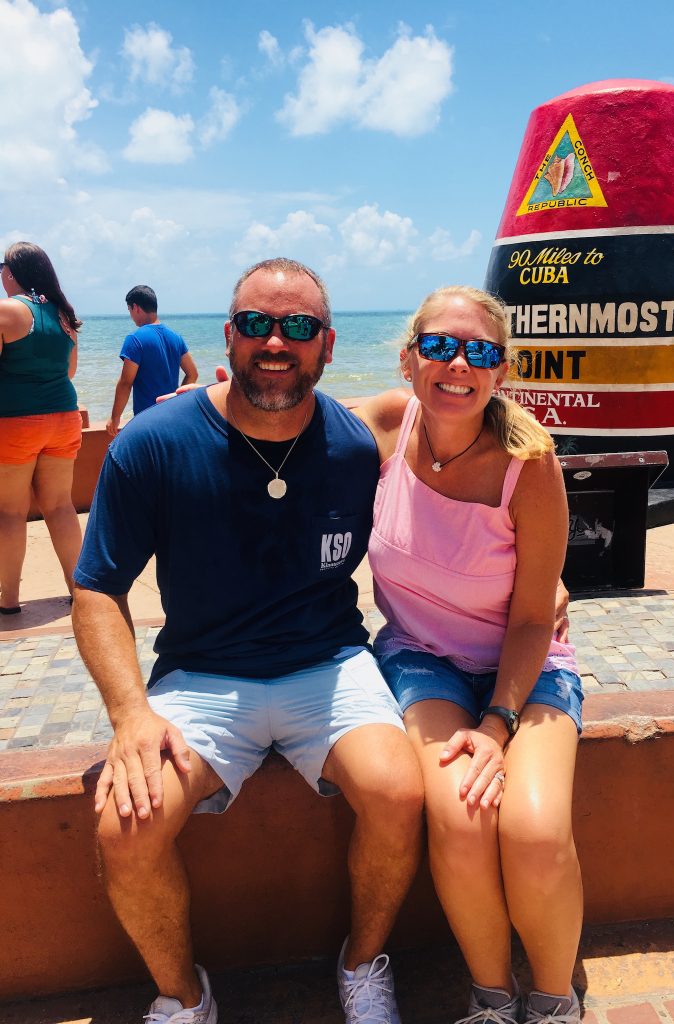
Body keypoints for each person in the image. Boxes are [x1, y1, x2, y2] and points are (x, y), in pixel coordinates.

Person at [72, 258, 424, 1024]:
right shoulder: (155, 443)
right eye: (258, 324)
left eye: (297, 327)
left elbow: (473, 433)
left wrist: (545, 577)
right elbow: (97, 587)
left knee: (400, 792)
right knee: (124, 828)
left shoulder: (358, 443)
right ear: (228, 336)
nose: (276, 342)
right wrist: (131, 714)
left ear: (327, 346)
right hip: (201, 675)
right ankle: (185, 997)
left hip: (328, 663)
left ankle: (363, 967)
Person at [353, 286, 583, 1024]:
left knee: (535, 831)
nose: (458, 364)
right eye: (440, 346)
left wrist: (497, 725)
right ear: (409, 357)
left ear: (501, 369)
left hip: (527, 663)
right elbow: (290, 432)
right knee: (458, 816)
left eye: (479, 351)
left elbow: (530, 621)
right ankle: (492, 998)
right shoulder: (389, 423)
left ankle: (553, 1003)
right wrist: (208, 404)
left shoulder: (531, 465)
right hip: (423, 655)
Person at [0, 241, 83, 614]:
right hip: (64, 419)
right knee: (60, 506)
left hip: (16, 422)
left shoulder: (7, 312)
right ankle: (81, 590)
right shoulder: (65, 315)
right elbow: (69, 372)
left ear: (11, 273)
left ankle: (9, 602)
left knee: (10, 513)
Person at [106, 285, 198, 438]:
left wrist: (115, 418)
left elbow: (125, 383)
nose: (131, 315)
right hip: (172, 419)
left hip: (146, 422)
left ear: (136, 308)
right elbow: (193, 374)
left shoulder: (135, 339)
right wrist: (176, 401)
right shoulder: (176, 337)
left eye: (129, 310)